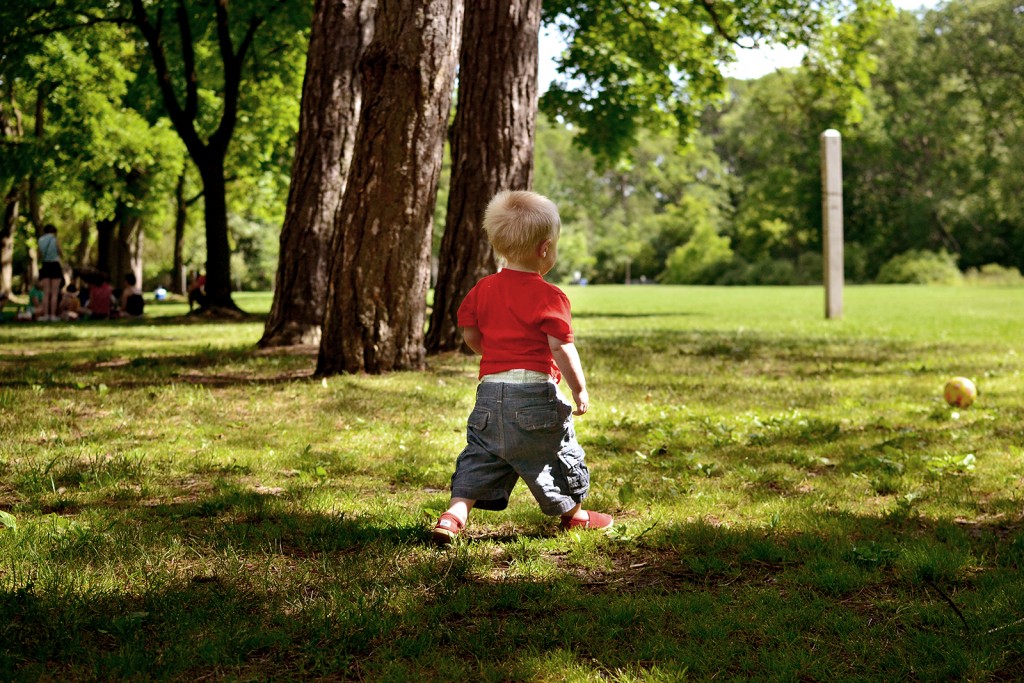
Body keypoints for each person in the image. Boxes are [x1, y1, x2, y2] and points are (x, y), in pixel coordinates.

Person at [431, 190, 613, 545]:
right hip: (535, 394)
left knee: (482, 453)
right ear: (545, 249)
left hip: (490, 394)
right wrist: (579, 389)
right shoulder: (550, 296)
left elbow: (469, 332)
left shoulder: (483, 289)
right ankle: (574, 516)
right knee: (555, 451)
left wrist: (491, 351)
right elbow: (562, 347)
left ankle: (455, 514)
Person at [37, 224, 63, 321]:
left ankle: (45, 314)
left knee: (46, 293)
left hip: (45, 265)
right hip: (55, 265)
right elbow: (60, 252)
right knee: (54, 292)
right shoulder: (55, 239)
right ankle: (53, 315)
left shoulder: (40, 240)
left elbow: (39, 255)